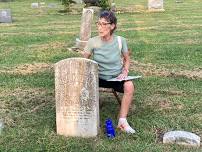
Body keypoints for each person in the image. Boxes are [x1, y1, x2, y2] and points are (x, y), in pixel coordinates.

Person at [83, 10, 135, 134]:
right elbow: (83, 61)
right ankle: (86, 116)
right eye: (98, 24)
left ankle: (122, 121)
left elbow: (127, 59)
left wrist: (125, 71)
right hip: (98, 78)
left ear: (112, 26)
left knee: (129, 86)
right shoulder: (92, 41)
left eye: (104, 24)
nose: (100, 28)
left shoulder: (120, 41)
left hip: (115, 77)